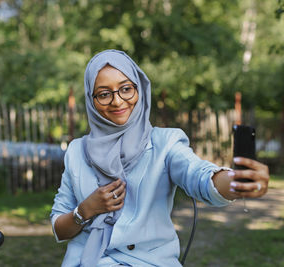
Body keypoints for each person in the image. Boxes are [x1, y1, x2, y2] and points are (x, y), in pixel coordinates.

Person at [50, 50, 269, 267]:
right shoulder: (77, 151)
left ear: (139, 89)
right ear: (91, 100)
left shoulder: (165, 142)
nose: (117, 101)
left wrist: (235, 180)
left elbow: (197, 175)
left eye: (126, 89)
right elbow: (59, 227)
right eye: (104, 94)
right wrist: (86, 209)